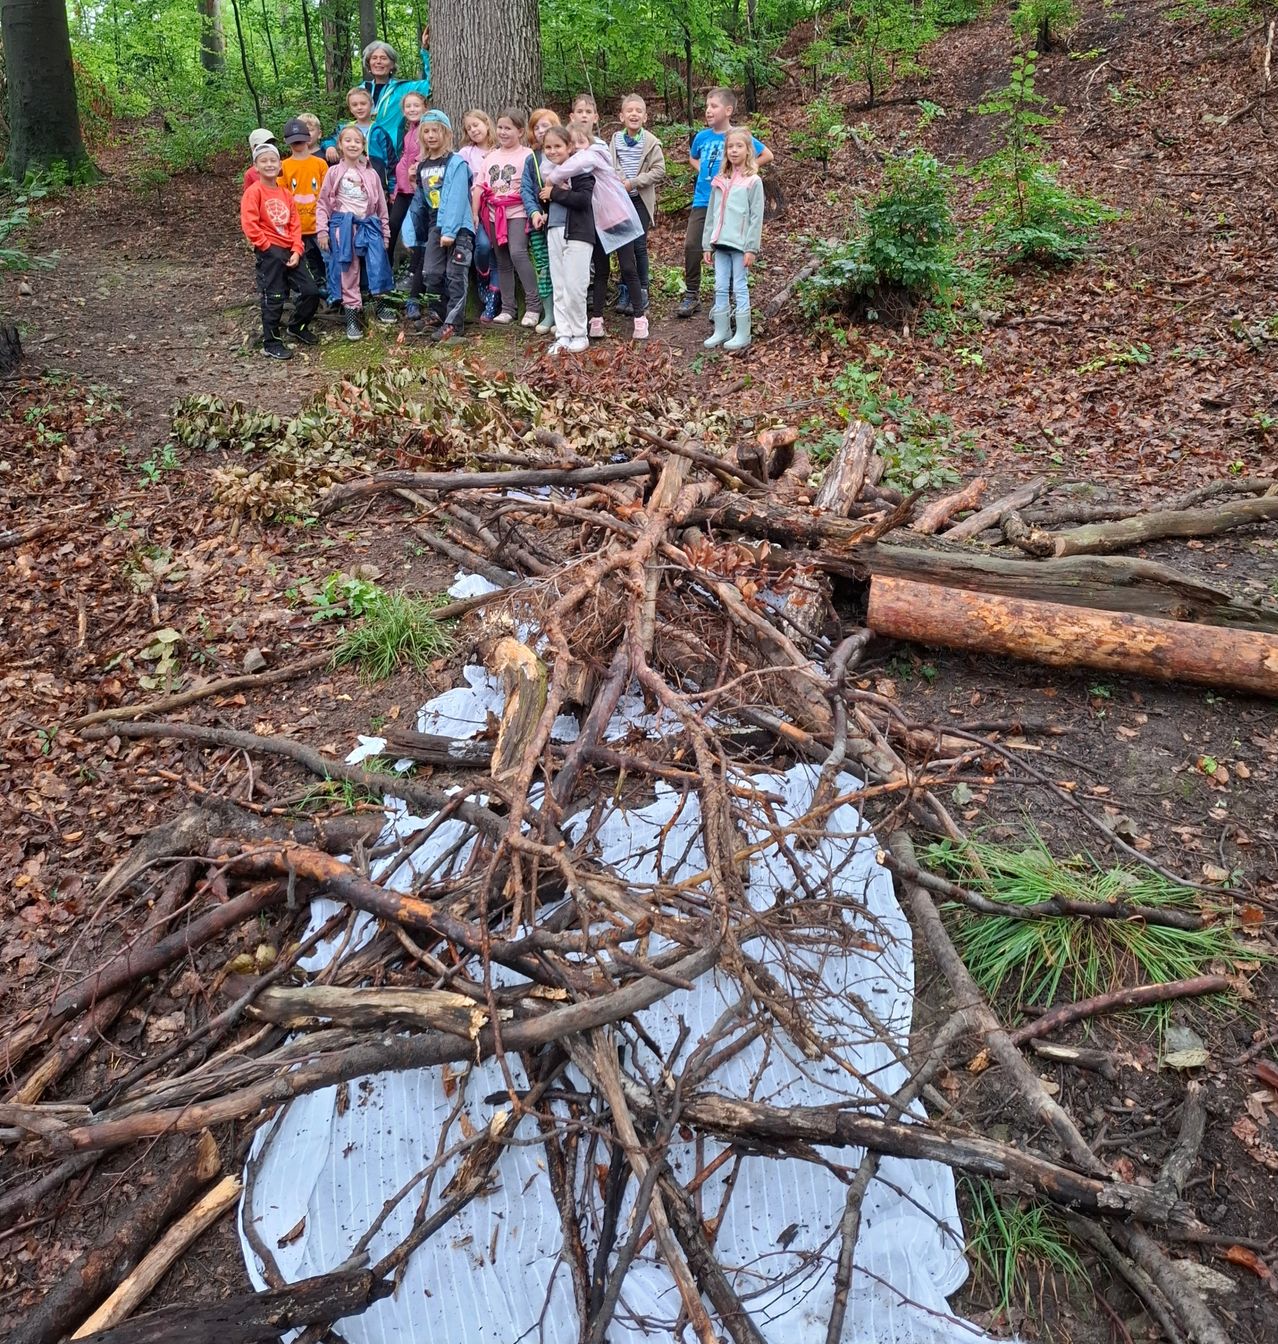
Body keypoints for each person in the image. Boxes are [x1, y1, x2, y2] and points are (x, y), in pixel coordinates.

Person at [542, 127, 648, 341]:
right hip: (597, 223)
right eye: (575, 144)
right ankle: (597, 318)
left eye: (581, 143)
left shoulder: (593, 156)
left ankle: (640, 316)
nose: (578, 149)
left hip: (617, 216)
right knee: (601, 270)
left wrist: (552, 181)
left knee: (628, 267)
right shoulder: (572, 167)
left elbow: (572, 167)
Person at [679, 88, 772, 319]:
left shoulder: (737, 137)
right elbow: (693, 156)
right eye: (707, 106)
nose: (708, 110)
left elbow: (767, 155)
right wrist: (701, 169)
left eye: (714, 106)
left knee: (728, 247)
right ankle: (692, 293)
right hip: (703, 199)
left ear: (728, 110)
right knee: (693, 244)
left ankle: (726, 299)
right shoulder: (701, 137)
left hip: (731, 202)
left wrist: (746, 171)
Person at [240, 141, 320, 360]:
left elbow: (294, 224)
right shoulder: (254, 192)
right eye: (263, 161)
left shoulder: (285, 193)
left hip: (290, 249)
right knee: (273, 296)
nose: (269, 164)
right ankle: (271, 341)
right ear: (255, 166)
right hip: (270, 252)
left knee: (311, 291)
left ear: (280, 164)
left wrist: (296, 248)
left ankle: (297, 326)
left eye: (273, 160)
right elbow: (250, 223)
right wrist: (266, 246)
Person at [316, 125, 394, 342]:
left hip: (369, 225)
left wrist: (385, 233)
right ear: (340, 145)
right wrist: (322, 230)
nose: (352, 144)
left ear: (363, 146)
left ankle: (380, 305)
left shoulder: (371, 174)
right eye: (347, 140)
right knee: (348, 270)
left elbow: (382, 207)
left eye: (357, 141)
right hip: (343, 225)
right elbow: (322, 204)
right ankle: (352, 315)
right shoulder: (333, 173)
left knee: (377, 266)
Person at [405, 110, 473, 343]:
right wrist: (410, 233)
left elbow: (457, 197)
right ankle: (439, 313)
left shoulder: (456, 163)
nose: (431, 136)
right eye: (426, 131)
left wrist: (451, 231)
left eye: (436, 131)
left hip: (458, 229)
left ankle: (454, 324)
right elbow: (419, 202)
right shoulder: (423, 165)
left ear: (446, 134)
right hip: (435, 227)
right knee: (431, 273)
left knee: (455, 276)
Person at [473, 109, 540, 328]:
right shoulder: (490, 156)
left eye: (508, 128)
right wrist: (475, 214)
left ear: (520, 131)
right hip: (493, 213)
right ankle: (508, 308)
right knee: (502, 260)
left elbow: (532, 185)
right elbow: (480, 186)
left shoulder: (527, 155)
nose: (503, 132)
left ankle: (533, 306)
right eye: (500, 127)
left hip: (517, 211)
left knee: (518, 253)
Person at [702, 127, 763, 353]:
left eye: (739, 146)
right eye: (730, 146)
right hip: (720, 243)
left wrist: (751, 248)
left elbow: (756, 217)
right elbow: (711, 213)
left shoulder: (753, 181)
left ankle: (743, 333)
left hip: (740, 245)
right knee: (719, 286)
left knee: (739, 286)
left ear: (748, 150)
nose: (734, 150)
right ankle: (722, 329)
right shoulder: (720, 179)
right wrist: (707, 243)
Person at [538, 125, 594, 356]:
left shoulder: (580, 169)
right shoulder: (548, 173)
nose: (552, 151)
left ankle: (580, 334)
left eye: (557, 146)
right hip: (554, 231)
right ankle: (563, 334)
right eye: (548, 147)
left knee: (575, 286)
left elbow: (583, 199)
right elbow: (543, 199)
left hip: (578, 233)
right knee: (559, 285)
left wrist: (554, 193)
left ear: (569, 147)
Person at [609, 94, 665, 317]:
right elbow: (610, 164)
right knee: (624, 245)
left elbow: (659, 170)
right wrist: (621, 179)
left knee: (638, 245)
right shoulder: (615, 140)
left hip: (640, 200)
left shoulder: (651, 142)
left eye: (638, 111)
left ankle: (641, 290)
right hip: (620, 200)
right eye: (629, 110)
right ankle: (625, 290)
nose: (634, 114)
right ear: (622, 116)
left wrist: (634, 182)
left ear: (645, 117)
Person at [520, 107, 560, 336]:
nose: (542, 130)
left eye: (546, 125)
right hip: (537, 224)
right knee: (543, 267)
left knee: (560, 267)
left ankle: (563, 312)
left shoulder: (565, 155)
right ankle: (548, 313)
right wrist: (534, 212)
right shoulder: (531, 159)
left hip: (560, 222)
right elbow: (526, 189)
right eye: (537, 127)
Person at [360, 32, 432, 157]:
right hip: (361, 153)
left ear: (392, 65)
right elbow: (349, 123)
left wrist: (425, 51)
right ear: (368, 64)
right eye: (374, 58)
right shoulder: (360, 91)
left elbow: (431, 83)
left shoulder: (403, 89)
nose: (378, 62)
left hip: (390, 155)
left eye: (383, 58)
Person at [279, 118, 328, 293]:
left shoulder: (320, 163)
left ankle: (332, 288)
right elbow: (282, 196)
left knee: (326, 257)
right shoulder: (283, 166)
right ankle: (315, 288)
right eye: (293, 141)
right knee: (307, 260)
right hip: (297, 226)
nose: (298, 144)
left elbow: (327, 193)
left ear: (308, 138)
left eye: (300, 139)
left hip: (319, 224)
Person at [458, 109, 498, 321]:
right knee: (483, 246)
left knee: (499, 253)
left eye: (476, 125)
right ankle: (483, 280)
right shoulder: (466, 153)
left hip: (500, 209)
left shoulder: (500, 149)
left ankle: (494, 297)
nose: (473, 130)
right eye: (469, 128)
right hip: (477, 208)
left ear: (486, 123)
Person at [388, 91, 428, 254]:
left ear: (425, 108)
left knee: (417, 228)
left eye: (416, 105)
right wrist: (397, 186)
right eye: (408, 106)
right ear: (403, 111)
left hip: (418, 187)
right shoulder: (409, 131)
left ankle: (416, 273)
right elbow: (404, 160)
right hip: (403, 188)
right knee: (392, 225)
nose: (412, 109)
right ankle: (385, 271)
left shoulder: (426, 129)